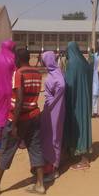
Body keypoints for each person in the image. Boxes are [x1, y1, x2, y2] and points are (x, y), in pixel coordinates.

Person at [0, 48, 45, 196]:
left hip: (20, 118)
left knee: (6, 149)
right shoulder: (37, 73)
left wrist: (14, 123)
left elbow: (19, 99)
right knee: (35, 148)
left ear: (18, 59)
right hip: (34, 115)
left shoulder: (18, 73)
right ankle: (40, 184)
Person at [63, 42, 93, 170]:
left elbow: (69, 84)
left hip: (75, 100)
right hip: (85, 99)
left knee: (78, 125)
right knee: (83, 124)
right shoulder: (84, 63)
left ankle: (84, 160)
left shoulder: (72, 65)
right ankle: (76, 153)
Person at [40, 51, 66, 181]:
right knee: (48, 136)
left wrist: (52, 101)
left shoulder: (56, 75)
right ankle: (48, 165)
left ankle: (54, 169)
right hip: (50, 109)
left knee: (54, 137)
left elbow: (61, 86)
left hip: (55, 109)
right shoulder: (55, 72)